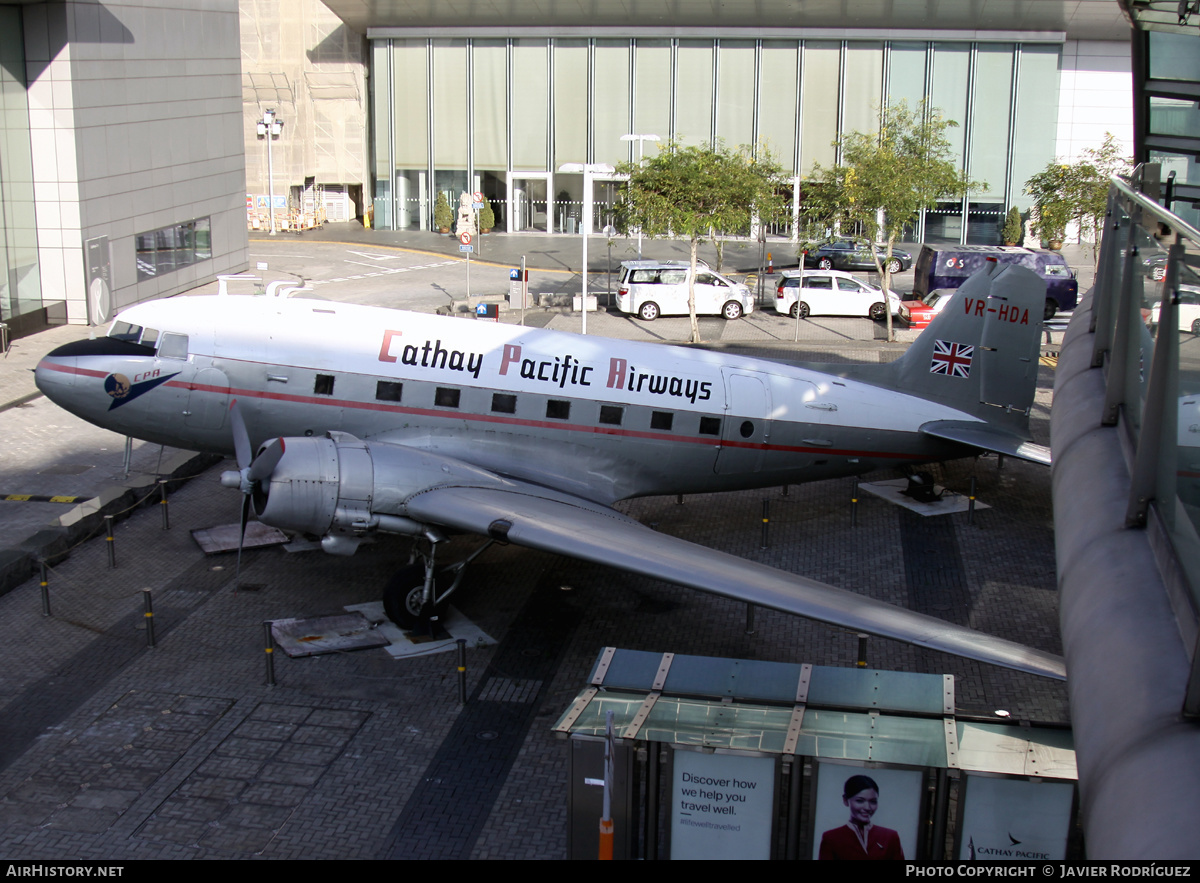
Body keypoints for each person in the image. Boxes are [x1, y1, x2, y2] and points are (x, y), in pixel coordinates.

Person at [818, 774, 905, 860]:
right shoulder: (831, 838)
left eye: (873, 801)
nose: (867, 807)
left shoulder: (890, 837)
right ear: (845, 800)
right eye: (860, 801)